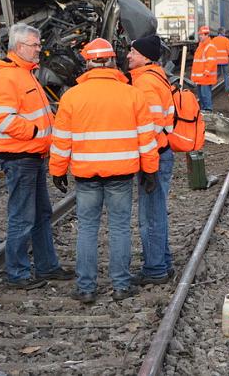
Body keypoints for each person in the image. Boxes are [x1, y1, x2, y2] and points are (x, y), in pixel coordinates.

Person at [50, 38, 159, 304]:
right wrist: (150, 170)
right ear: (112, 61)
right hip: (121, 173)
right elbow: (146, 137)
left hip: (86, 174)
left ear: (87, 63)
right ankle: (121, 285)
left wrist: (58, 170)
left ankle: (86, 287)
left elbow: (61, 138)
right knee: (120, 227)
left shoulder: (72, 97)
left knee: (87, 228)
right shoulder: (132, 94)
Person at [0, 23, 74, 290]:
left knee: (40, 214)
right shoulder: (8, 76)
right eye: (35, 45)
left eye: (39, 44)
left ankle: (47, 266)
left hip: (33, 156)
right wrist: (37, 131)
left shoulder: (26, 73)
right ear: (19, 47)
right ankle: (17, 274)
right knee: (23, 217)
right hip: (20, 157)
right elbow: (3, 120)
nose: (40, 49)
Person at [126, 34, 175, 285]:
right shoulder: (156, 77)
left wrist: (147, 164)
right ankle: (163, 263)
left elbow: (151, 127)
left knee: (150, 216)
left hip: (154, 156)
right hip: (160, 153)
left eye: (132, 52)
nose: (128, 56)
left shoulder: (145, 83)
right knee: (156, 212)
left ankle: (155, 269)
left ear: (144, 56)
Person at [190, 25, 217, 112]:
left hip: (205, 76)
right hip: (201, 77)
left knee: (205, 95)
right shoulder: (201, 46)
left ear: (206, 35)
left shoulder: (209, 46)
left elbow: (211, 61)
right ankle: (204, 110)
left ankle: (208, 110)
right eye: (200, 34)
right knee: (201, 95)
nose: (200, 36)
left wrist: (206, 72)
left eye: (201, 35)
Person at [211, 28, 229, 93]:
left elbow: (211, 49)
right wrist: (228, 55)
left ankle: (212, 86)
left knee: (217, 73)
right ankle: (227, 88)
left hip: (216, 60)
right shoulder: (226, 40)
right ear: (223, 32)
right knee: (226, 74)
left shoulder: (214, 40)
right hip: (224, 60)